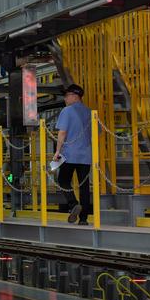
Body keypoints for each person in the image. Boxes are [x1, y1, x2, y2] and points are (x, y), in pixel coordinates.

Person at [53, 84, 92, 225]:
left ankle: (73, 203)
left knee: (63, 180)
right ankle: (83, 219)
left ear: (75, 96)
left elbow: (62, 132)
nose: (64, 98)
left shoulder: (67, 111)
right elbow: (97, 133)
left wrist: (57, 151)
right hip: (86, 156)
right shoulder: (89, 112)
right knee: (84, 186)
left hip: (69, 154)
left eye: (67, 95)